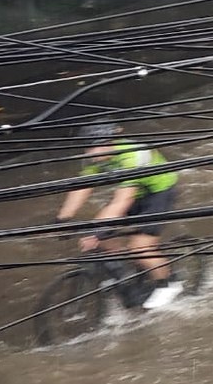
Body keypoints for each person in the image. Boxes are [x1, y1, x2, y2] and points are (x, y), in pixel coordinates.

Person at [56, 122, 184, 310]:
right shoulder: (95, 157)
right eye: (87, 147)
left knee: (139, 246)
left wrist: (96, 231)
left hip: (158, 193)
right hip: (134, 193)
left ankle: (168, 284)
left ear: (109, 143)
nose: (89, 152)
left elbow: (122, 201)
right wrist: (62, 218)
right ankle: (125, 275)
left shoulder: (132, 155)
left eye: (94, 147)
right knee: (105, 239)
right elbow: (82, 186)